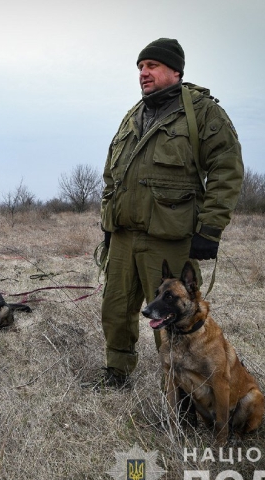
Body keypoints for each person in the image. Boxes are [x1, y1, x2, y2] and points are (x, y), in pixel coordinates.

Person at [99, 38, 244, 387]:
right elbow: (112, 174)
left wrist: (210, 229)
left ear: (175, 71)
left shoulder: (202, 112)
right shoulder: (135, 114)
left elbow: (226, 170)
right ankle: (117, 373)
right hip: (123, 236)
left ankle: (182, 390)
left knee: (174, 316)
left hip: (169, 238)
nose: (143, 73)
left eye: (151, 66)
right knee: (116, 310)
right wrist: (108, 220)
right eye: (140, 67)